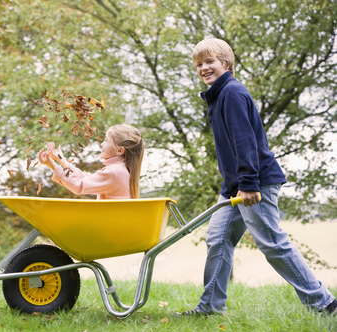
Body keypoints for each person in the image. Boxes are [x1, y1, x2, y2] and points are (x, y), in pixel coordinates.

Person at [178, 38, 336, 316]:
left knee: (272, 243)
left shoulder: (231, 93)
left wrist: (249, 183)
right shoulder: (219, 95)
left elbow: (244, 141)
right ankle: (210, 308)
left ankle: (325, 303)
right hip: (235, 187)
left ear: (226, 63)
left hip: (255, 183)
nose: (204, 68)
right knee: (218, 238)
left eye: (210, 61)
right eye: (199, 64)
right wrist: (235, 186)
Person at [38, 123, 144, 199]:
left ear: (120, 150)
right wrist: (62, 160)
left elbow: (78, 186)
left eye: (106, 140)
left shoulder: (114, 172)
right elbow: (86, 179)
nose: (102, 144)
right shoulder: (122, 169)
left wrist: (52, 165)